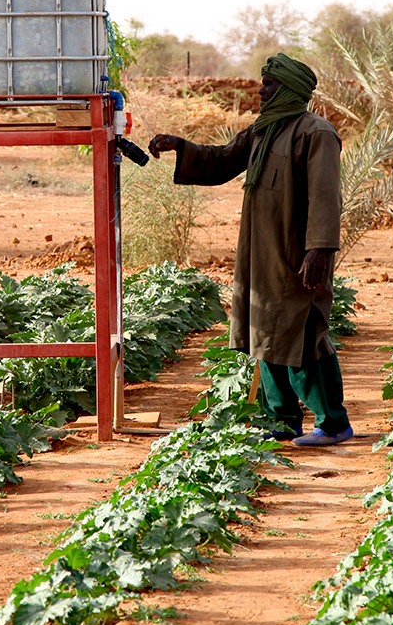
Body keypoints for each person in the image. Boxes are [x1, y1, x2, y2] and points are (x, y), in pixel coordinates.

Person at [148, 52, 352, 446]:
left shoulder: (317, 133)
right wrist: (182, 146)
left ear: (289, 89)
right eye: (264, 83)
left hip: (297, 253)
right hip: (261, 252)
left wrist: (319, 250)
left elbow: (327, 198)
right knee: (265, 331)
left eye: (270, 84)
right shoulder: (264, 129)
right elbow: (224, 160)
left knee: (303, 334)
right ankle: (283, 420)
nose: (261, 90)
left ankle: (333, 424)